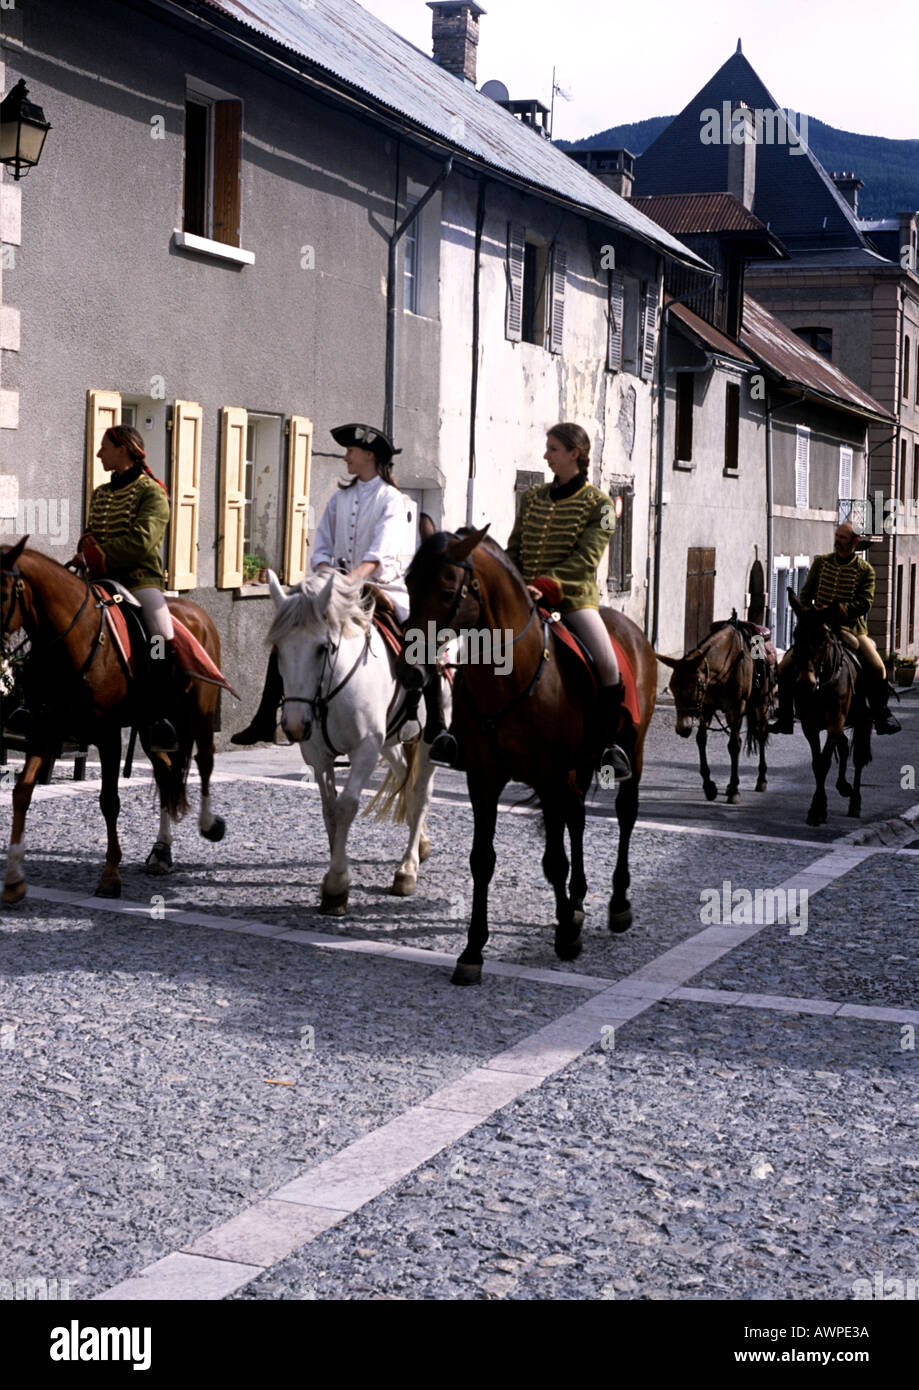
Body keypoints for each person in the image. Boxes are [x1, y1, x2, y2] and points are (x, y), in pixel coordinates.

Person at [232, 423, 411, 744]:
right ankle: (265, 716)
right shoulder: (340, 498)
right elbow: (322, 549)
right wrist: (330, 576)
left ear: (369, 455)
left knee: (419, 642)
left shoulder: (391, 500)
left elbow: (379, 554)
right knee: (291, 635)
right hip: (334, 589)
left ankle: (425, 718)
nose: (346, 457)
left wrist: (351, 580)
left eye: (351, 452)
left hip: (381, 589)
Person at [73, 425, 179, 753]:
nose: (99, 453)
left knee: (160, 635)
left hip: (138, 580)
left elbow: (143, 541)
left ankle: (161, 714)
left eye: (104, 447)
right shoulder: (101, 494)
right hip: (99, 581)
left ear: (123, 448)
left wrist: (97, 554)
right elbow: (92, 531)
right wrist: (86, 543)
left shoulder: (152, 492)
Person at [769, 521, 901, 736]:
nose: (837, 542)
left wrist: (841, 610)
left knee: (878, 668)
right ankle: (785, 717)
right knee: (784, 666)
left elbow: (865, 602)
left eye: (843, 538)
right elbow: (805, 594)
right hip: (817, 626)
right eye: (837, 537)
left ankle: (881, 715)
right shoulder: (821, 563)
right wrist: (811, 612)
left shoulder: (865, 570)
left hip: (850, 629)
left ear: (854, 542)